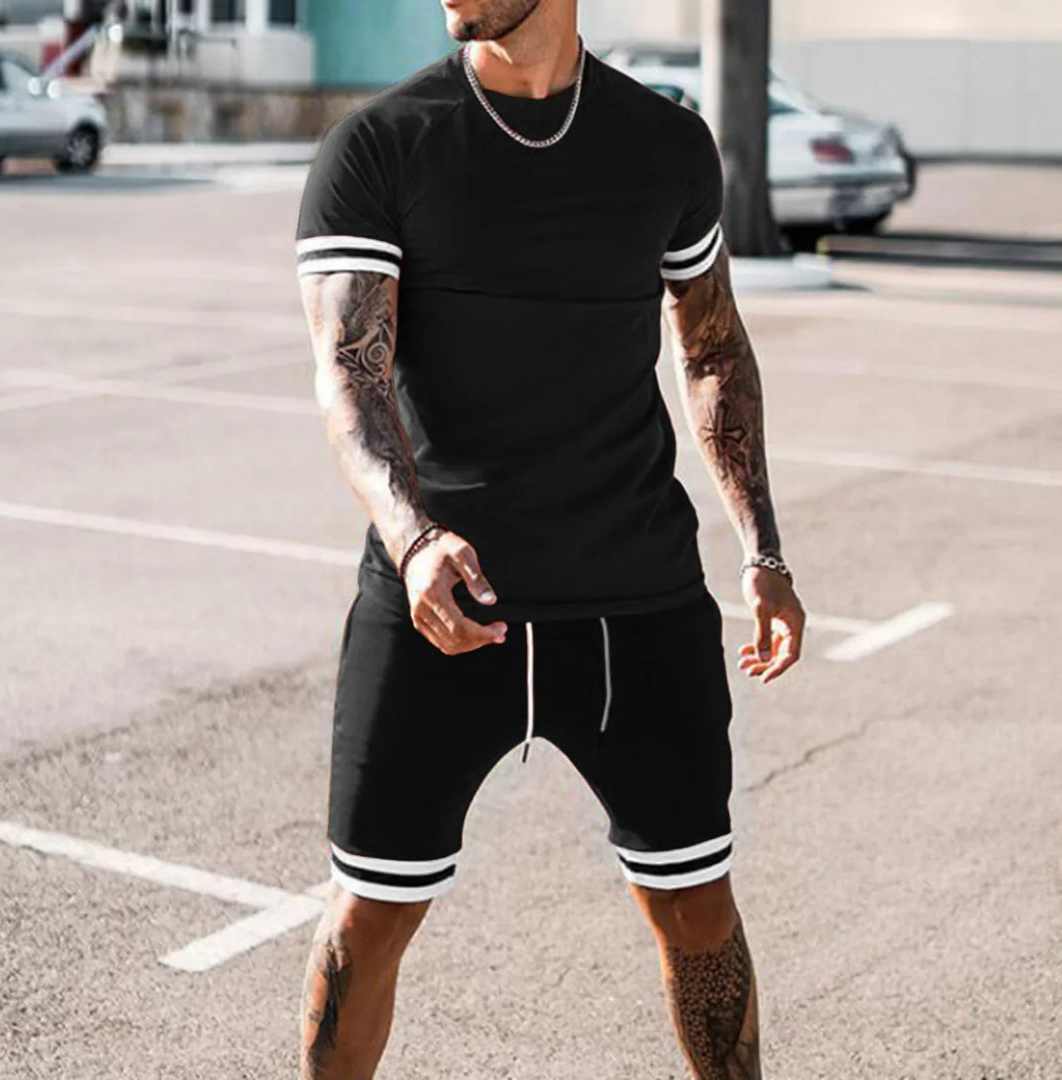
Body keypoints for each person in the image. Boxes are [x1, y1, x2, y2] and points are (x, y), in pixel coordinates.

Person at [295, 1, 806, 1076]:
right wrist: (412, 535)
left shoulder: (663, 147)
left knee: (696, 909)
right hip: (442, 601)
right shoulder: (381, 146)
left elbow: (711, 349)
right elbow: (350, 374)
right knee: (367, 921)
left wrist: (761, 549)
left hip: (636, 599)